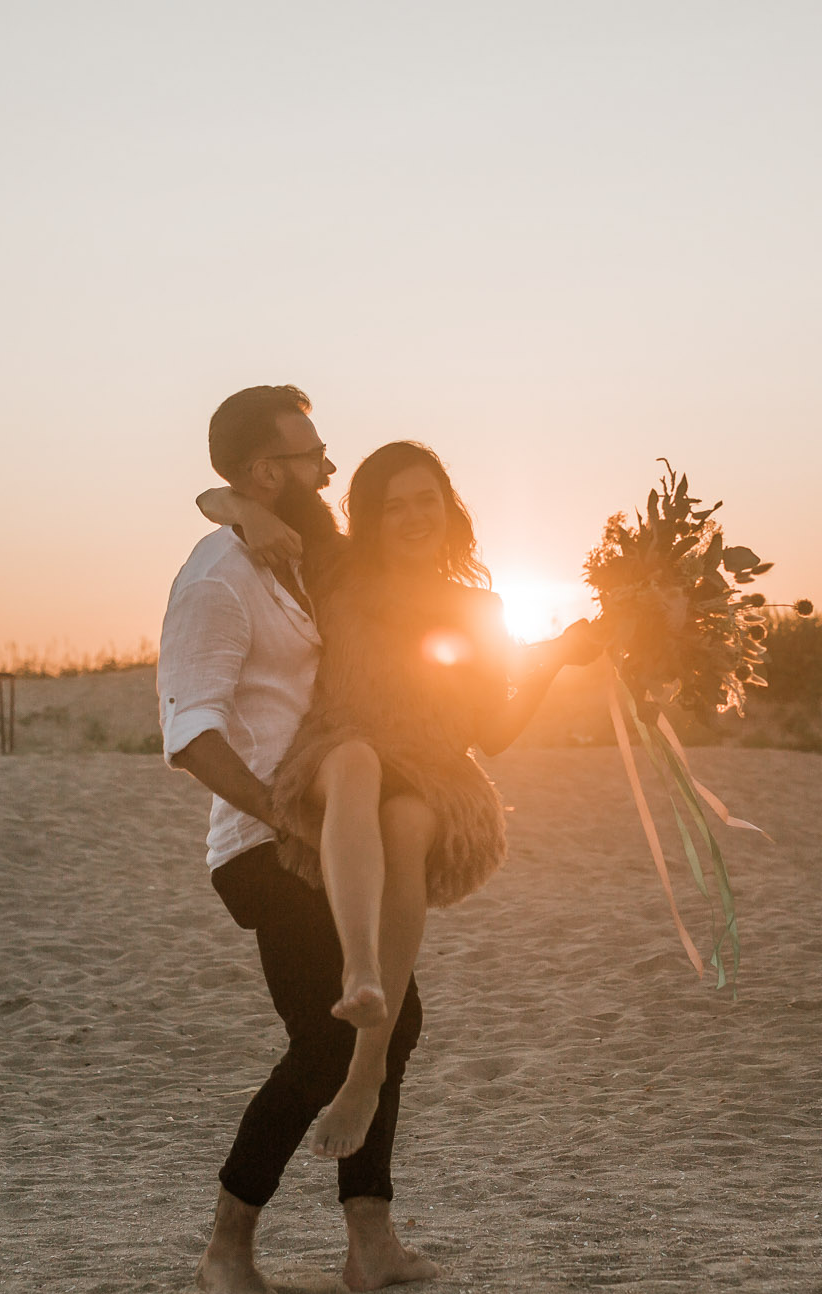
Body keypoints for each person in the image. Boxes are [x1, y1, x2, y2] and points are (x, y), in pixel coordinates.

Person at [196, 440, 603, 1165]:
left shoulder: (479, 606)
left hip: (432, 764)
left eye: (427, 500)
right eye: (394, 505)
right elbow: (216, 499)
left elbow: (493, 732)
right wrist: (244, 515)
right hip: (338, 744)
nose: (414, 516)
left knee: (410, 819)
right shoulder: (336, 562)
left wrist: (554, 660)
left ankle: (367, 1066)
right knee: (357, 760)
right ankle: (361, 973)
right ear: (369, 518)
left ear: (451, 509)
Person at [160, 386, 438, 1294]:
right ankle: (226, 1247)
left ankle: (371, 1237)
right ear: (261, 472)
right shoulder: (215, 579)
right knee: (328, 1039)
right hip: (262, 843)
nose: (327, 467)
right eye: (310, 454)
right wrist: (284, 819)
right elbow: (192, 735)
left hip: (331, 835)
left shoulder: (292, 552)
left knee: (391, 1017)